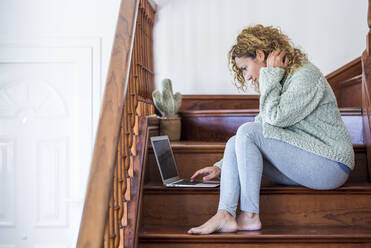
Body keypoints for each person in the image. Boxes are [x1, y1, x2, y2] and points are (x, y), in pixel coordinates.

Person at [187, 24, 355, 235]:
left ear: (259, 54)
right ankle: (225, 214)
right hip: (308, 160)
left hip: (331, 164)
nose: (247, 77)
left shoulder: (306, 76)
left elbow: (274, 119)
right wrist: (222, 166)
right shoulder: (280, 78)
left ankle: (249, 215)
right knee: (236, 140)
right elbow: (263, 124)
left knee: (247, 132)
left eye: (245, 68)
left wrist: (271, 74)